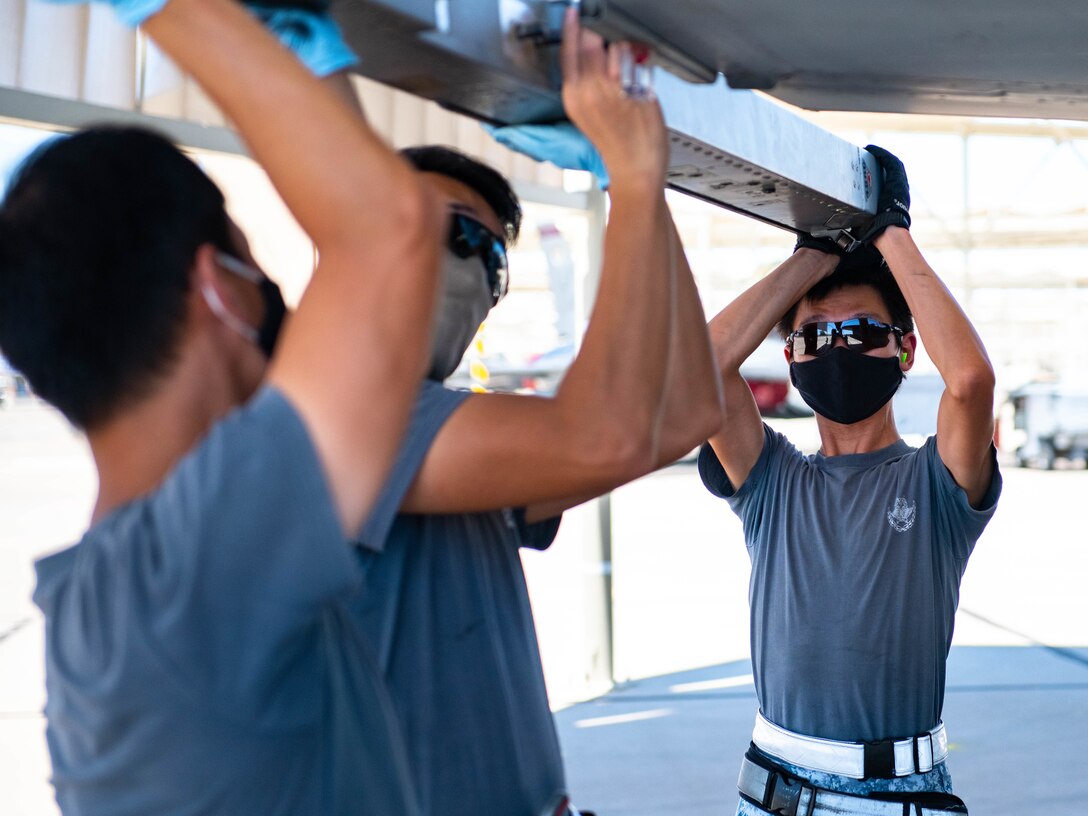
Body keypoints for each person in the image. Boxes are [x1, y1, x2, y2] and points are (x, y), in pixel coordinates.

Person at [0, 0, 444, 812]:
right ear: (215, 286)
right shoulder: (195, 565)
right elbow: (388, 230)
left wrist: (307, 59)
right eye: (250, 256)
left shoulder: (128, 589)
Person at [337, 11, 723, 816]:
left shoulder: (452, 434)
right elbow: (605, 433)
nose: (469, 262)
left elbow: (686, 412)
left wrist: (634, 196)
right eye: (446, 230)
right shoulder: (349, 420)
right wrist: (635, 174)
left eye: (490, 254)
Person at [698, 146, 1002, 815]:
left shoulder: (935, 481)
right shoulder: (771, 482)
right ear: (789, 357)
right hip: (771, 786)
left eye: (863, 330)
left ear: (905, 347)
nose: (835, 347)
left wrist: (891, 233)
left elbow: (972, 382)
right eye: (812, 336)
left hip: (897, 796)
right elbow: (701, 365)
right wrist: (814, 254)